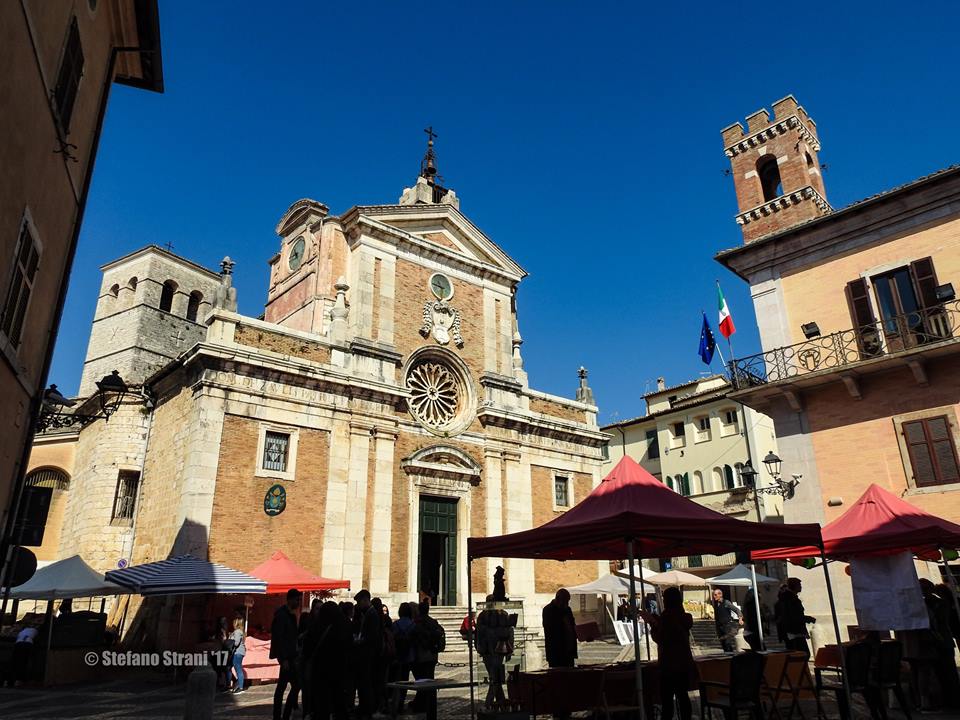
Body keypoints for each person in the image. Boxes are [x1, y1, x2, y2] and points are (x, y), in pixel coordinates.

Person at [642, 587, 693, 720]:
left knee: (667, 701)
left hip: (669, 664)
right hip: (684, 662)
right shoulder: (683, 616)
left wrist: (653, 624)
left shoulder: (667, 617)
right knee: (683, 697)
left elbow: (661, 638)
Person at [476, 595, 514, 709]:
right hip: (488, 651)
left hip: (499, 651)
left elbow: (509, 632)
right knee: (495, 678)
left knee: (495, 678)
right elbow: (479, 633)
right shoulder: (483, 616)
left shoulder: (503, 615)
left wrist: (509, 650)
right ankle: (500, 703)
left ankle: (491, 703)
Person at [271, 588, 302, 720]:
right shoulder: (282, 615)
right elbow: (279, 638)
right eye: (297, 600)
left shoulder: (290, 615)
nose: (299, 602)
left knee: (284, 687)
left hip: (291, 656)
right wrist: (283, 659)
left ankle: (281, 715)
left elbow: (291, 636)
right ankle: (281, 715)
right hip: (286, 657)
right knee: (292, 686)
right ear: (290, 599)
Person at [410, 601, 445, 717]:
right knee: (430, 681)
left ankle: (421, 704)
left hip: (421, 656)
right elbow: (441, 633)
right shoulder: (433, 622)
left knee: (421, 681)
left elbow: (414, 638)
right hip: (432, 656)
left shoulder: (417, 623)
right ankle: (429, 705)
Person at [352, 589, 383, 720]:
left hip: (369, 654)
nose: (358, 605)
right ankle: (365, 707)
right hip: (366, 654)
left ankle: (367, 708)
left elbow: (372, 636)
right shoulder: (368, 614)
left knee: (367, 683)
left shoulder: (372, 615)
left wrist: (361, 640)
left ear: (366, 600)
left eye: (359, 602)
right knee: (365, 683)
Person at [779, 578, 815, 657]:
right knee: (802, 655)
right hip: (794, 632)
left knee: (801, 655)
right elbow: (794, 615)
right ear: (794, 586)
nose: (801, 587)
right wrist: (807, 619)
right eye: (799, 585)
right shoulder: (790, 599)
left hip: (793, 632)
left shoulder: (789, 597)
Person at [542, 588, 578, 668]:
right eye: (565, 601)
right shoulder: (548, 610)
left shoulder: (568, 610)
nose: (567, 604)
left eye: (568, 601)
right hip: (556, 652)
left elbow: (572, 626)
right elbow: (550, 630)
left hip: (569, 651)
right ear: (558, 599)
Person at [6, 621, 39, 687]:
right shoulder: (35, 630)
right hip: (27, 644)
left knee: (14, 662)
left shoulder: (22, 631)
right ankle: (20, 680)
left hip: (18, 644)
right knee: (24, 662)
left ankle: (9, 681)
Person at [711, 588, 742, 653]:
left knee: (727, 643)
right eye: (714, 595)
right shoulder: (715, 604)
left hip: (727, 626)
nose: (714, 596)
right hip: (719, 627)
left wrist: (740, 618)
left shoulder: (726, 602)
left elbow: (736, 610)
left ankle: (730, 657)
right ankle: (727, 658)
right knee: (723, 644)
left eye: (715, 595)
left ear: (720, 595)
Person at [230, 617, 246, 693]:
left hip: (238, 652)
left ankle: (240, 687)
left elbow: (236, 643)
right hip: (240, 652)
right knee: (238, 668)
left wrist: (230, 640)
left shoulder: (237, 631)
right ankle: (239, 685)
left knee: (238, 669)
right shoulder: (241, 631)